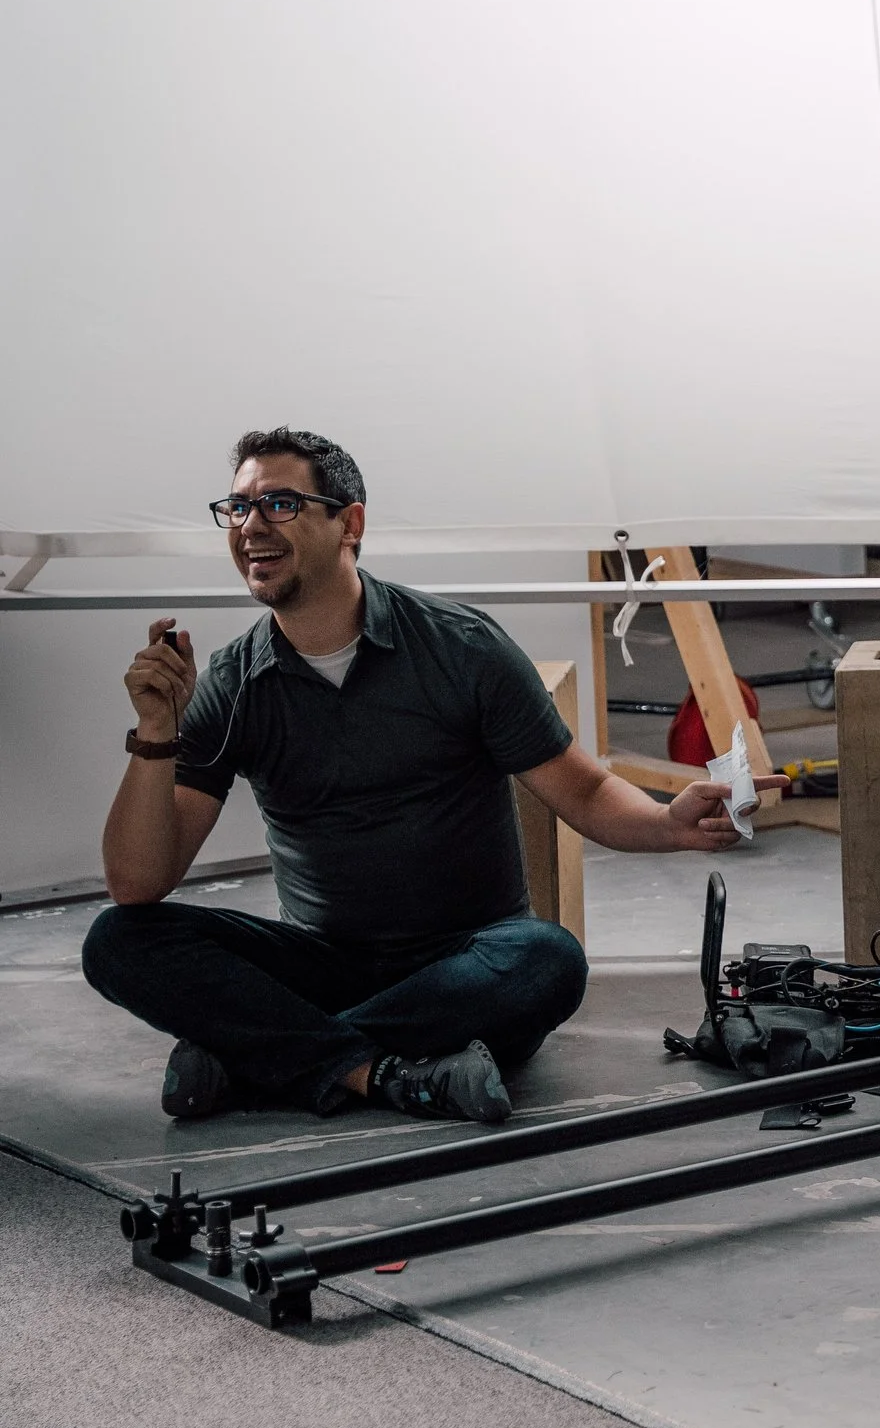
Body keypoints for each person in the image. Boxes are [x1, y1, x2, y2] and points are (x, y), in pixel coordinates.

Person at [87, 428, 782, 1125]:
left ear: (350, 523)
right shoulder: (234, 681)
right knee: (118, 940)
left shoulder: (462, 648)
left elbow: (586, 790)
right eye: (238, 508)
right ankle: (379, 1071)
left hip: (464, 962)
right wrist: (155, 731)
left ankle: (262, 1055)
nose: (251, 527)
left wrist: (666, 822)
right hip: (321, 964)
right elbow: (138, 883)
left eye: (280, 503)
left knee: (548, 961)